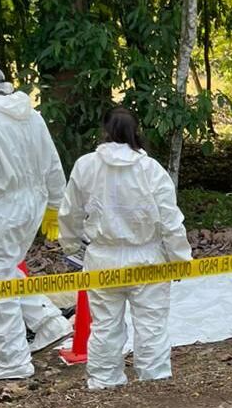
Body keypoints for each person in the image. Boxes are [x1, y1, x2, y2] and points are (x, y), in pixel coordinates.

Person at [58, 107, 192, 389]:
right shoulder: (150, 170)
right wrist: (180, 258)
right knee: (151, 323)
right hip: (148, 257)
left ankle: (105, 381)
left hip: (103, 258)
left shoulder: (86, 165)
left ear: (105, 130)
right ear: (136, 131)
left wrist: (70, 244)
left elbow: (70, 211)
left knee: (105, 325)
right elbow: (170, 219)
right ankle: (153, 380)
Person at [0, 64, 71, 380]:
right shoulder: (31, 115)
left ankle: (13, 360)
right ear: (5, 86)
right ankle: (50, 323)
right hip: (31, 207)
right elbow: (52, 163)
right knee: (8, 270)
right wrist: (53, 206)